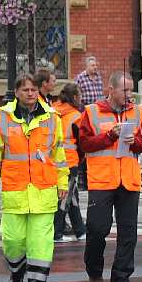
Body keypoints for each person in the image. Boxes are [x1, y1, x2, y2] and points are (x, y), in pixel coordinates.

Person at [0, 75, 69, 282]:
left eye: (33, 89)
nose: (30, 93)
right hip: (15, 189)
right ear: (17, 92)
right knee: (13, 241)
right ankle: (17, 271)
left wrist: (63, 182)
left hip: (44, 189)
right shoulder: (3, 116)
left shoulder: (52, 117)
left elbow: (59, 153)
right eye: (25, 90)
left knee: (40, 241)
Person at [78, 71, 142, 282]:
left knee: (128, 232)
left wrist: (134, 141)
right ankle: (94, 270)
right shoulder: (92, 112)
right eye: (125, 90)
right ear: (111, 90)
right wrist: (110, 136)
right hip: (102, 179)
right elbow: (85, 144)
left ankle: (122, 279)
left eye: (131, 90)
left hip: (128, 179)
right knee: (98, 229)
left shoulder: (136, 111)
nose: (129, 95)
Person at [52, 82, 86, 243]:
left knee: (71, 197)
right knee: (65, 198)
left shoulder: (53, 110)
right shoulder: (76, 116)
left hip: (54, 160)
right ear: (74, 97)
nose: (82, 99)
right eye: (80, 96)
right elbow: (82, 142)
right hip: (70, 160)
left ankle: (80, 230)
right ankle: (57, 233)